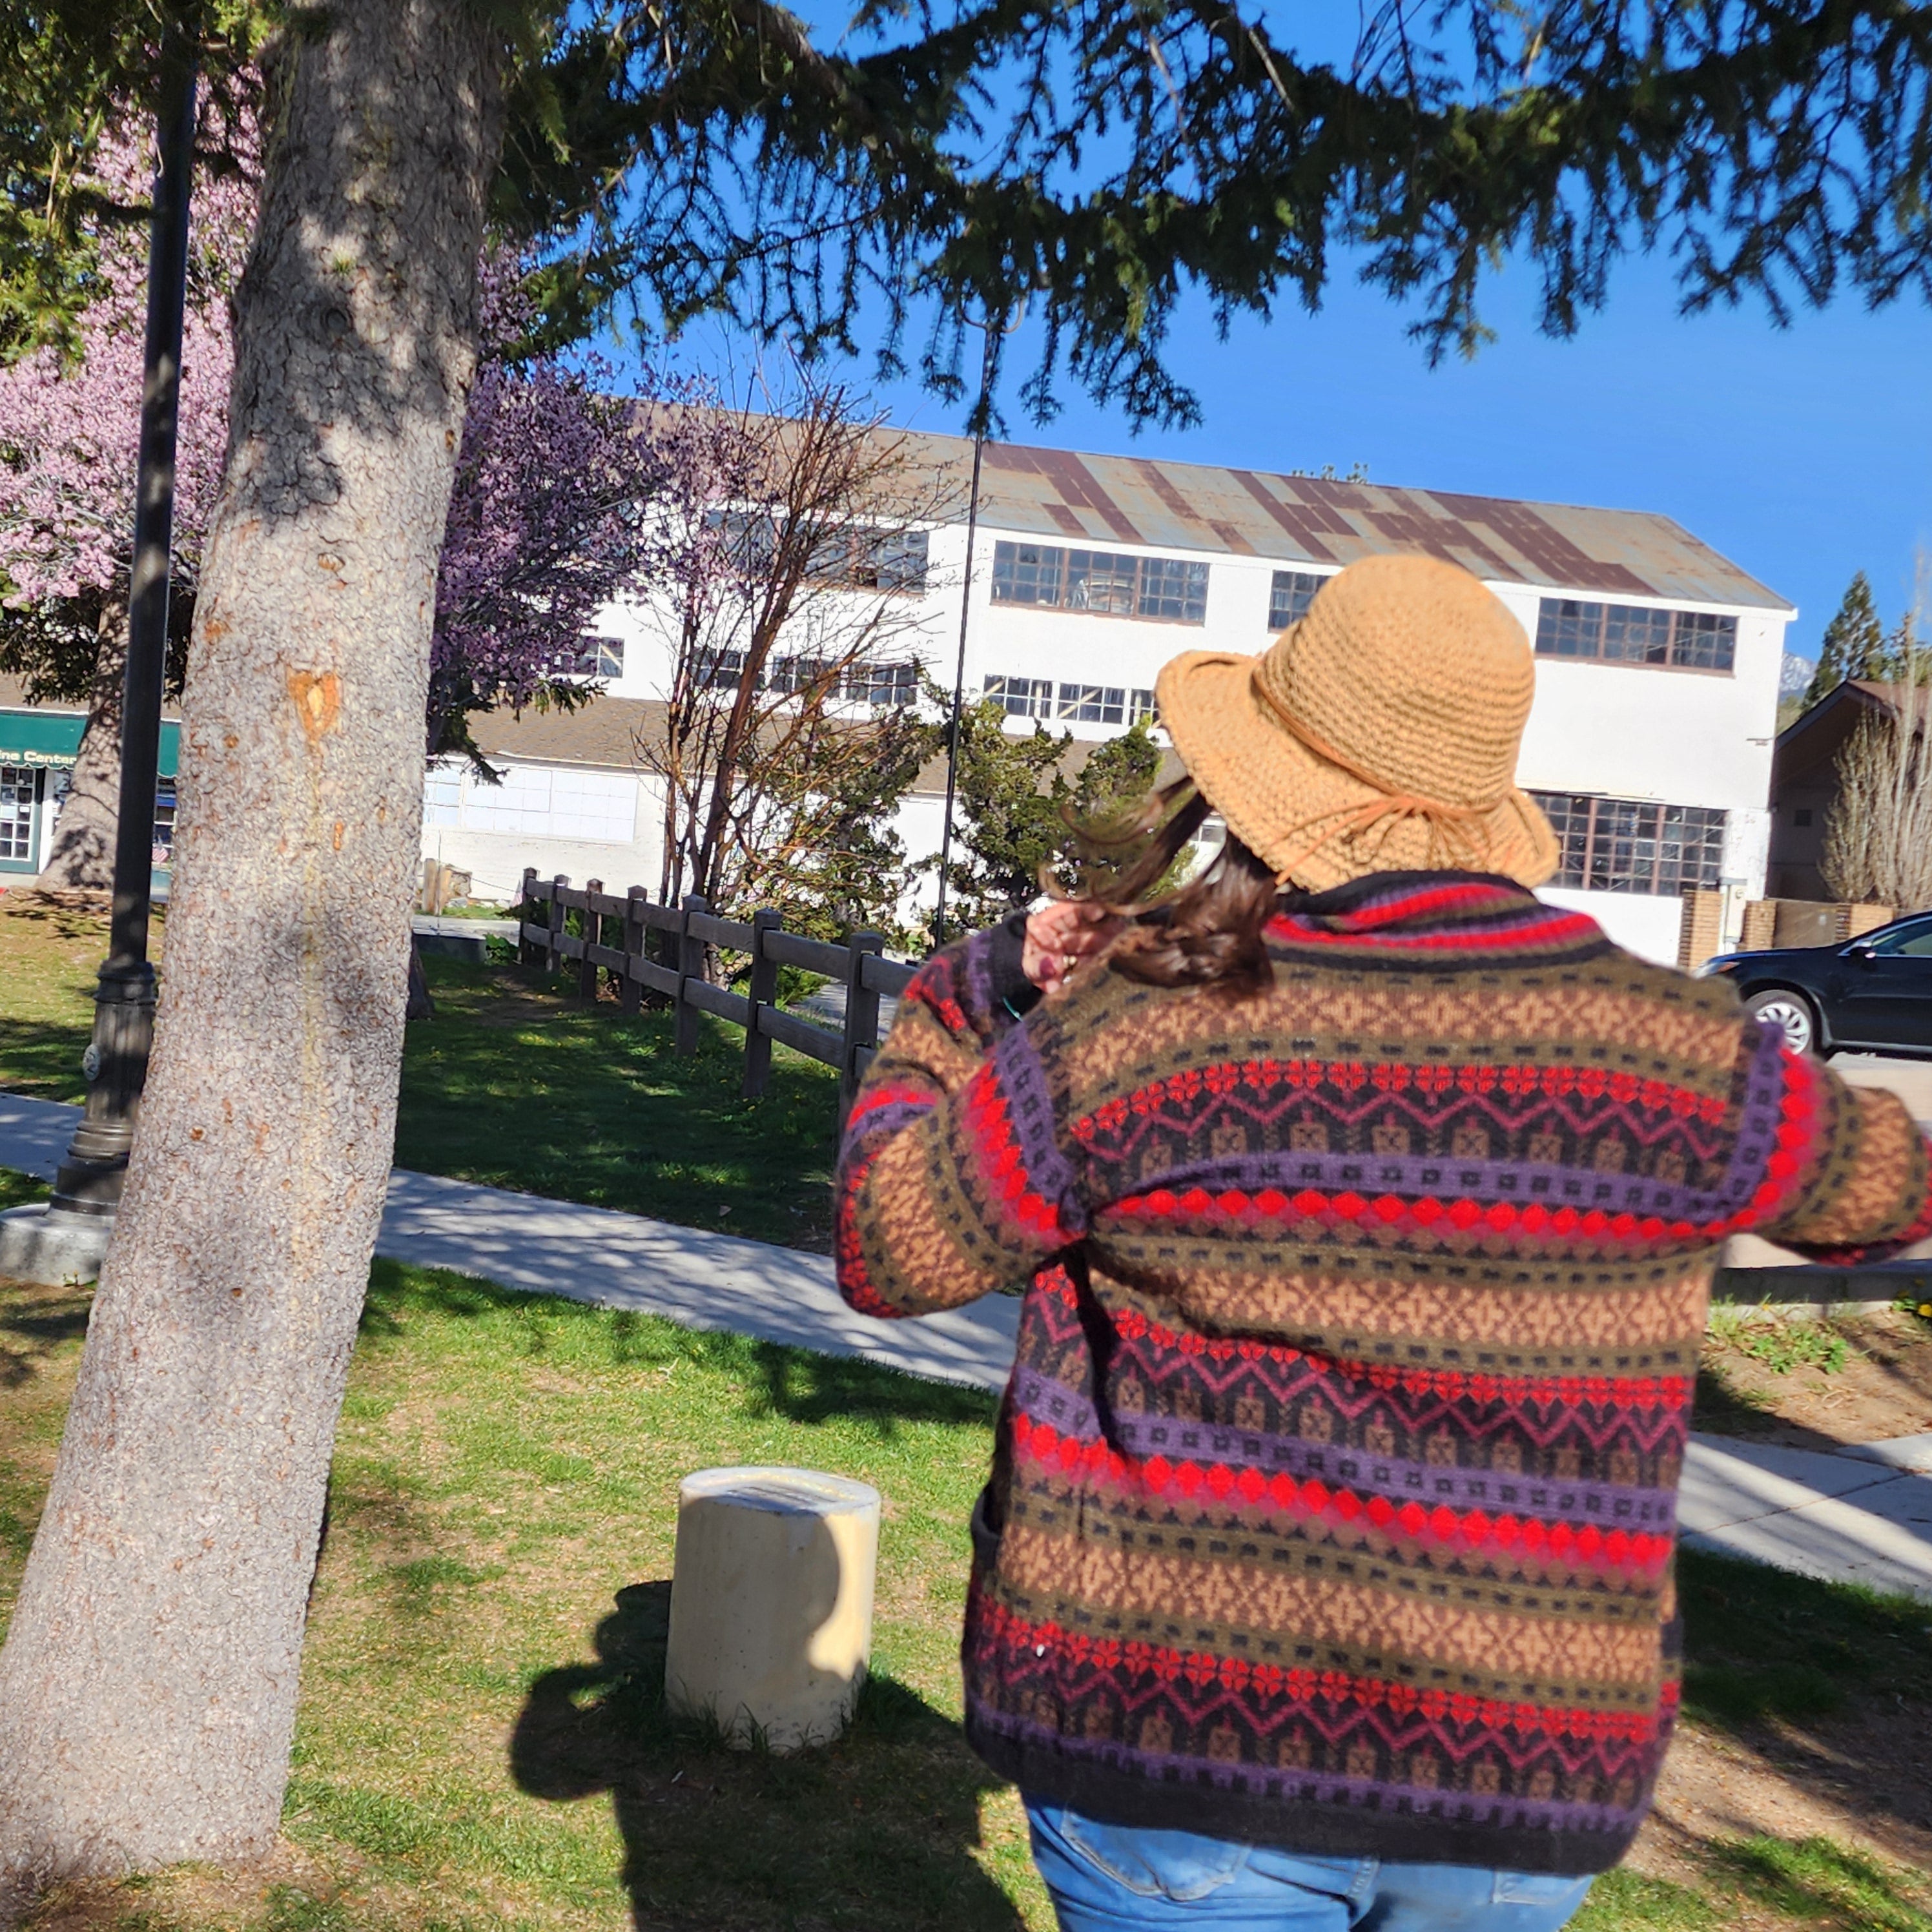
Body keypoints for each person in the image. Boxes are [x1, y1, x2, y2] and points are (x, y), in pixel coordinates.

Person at [834, 553, 1932, 1931]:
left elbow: (891, 1245)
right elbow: (1888, 1192)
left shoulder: (1136, 1026)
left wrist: (963, 991)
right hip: (1516, 1778)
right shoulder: (1683, 1049)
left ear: (1264, 781)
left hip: (1177, 1752)